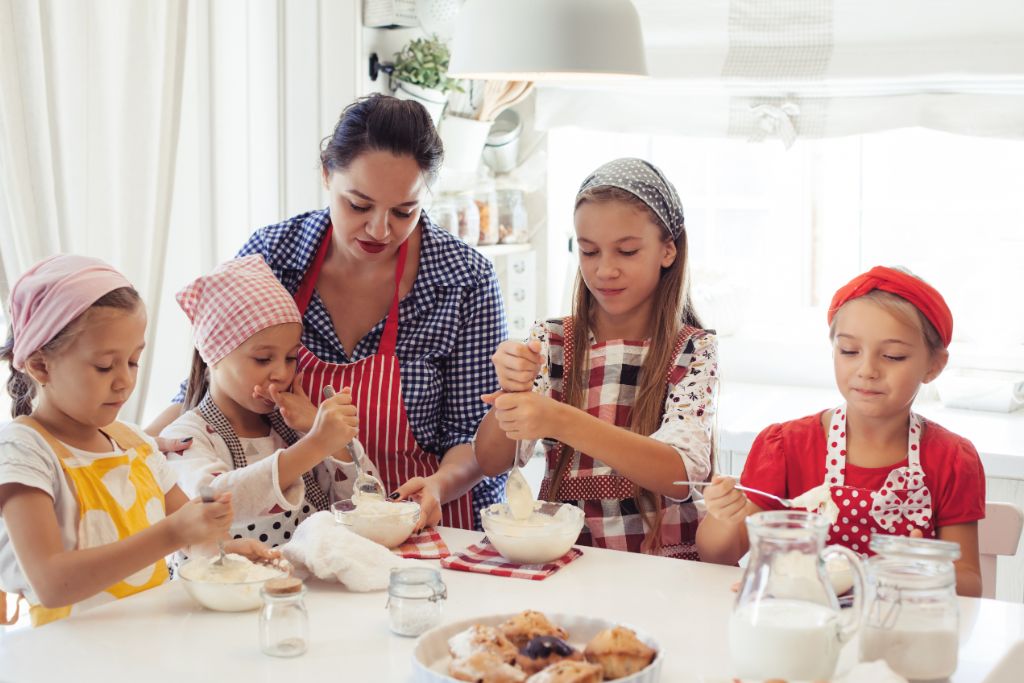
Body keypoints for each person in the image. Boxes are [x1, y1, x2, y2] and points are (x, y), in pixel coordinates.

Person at [148, 94, 507, 530]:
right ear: (325, 174)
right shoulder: (274, 256)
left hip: (425, 521)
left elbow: (472, 435)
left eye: (404, 211)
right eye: (359, 205)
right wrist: (132, 446)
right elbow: (210, 376)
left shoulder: (463, 279)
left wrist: (437, 486)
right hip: (306, 530)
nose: (380, 228)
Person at [0, 255, 271, 627]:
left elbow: (191, 539)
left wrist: (226, 552)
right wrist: (174, 533)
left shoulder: (133, 443)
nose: (124, 381)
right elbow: (50, 583)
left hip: (149, 641)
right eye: (104, 366)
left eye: (133, 361)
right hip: (68, 659)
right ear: (40, 365)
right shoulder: (24, 450)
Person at [474, 158, 718, 559]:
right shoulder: (550, 341)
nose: (605, 270)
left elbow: (677, 478)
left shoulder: (692, 350)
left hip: (662, 569)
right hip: (569, 560)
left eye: (626, 251)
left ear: (668, 251)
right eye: (589, 252)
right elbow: (489, 460)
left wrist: (558, 419)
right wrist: (513, 390)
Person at [696, 266, 985, 596]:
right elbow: (717, 554)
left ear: (934, 365)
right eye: (849, 351)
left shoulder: (952, 460)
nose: (868, 370)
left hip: (895, 629)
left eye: (893, 356)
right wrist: (723, 513)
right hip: (802, 626)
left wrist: (923, 570)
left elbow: (970, 584)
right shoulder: (786, 447)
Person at [160, 255, 365, 548]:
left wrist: (335, 443)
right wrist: (315, 444)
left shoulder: (294, 428)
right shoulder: (184, 439)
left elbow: (363, 504)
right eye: (263, 359)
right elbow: (216, 499)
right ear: (213, 356)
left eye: (291, 357)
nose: (282, 373)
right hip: (225, 589)